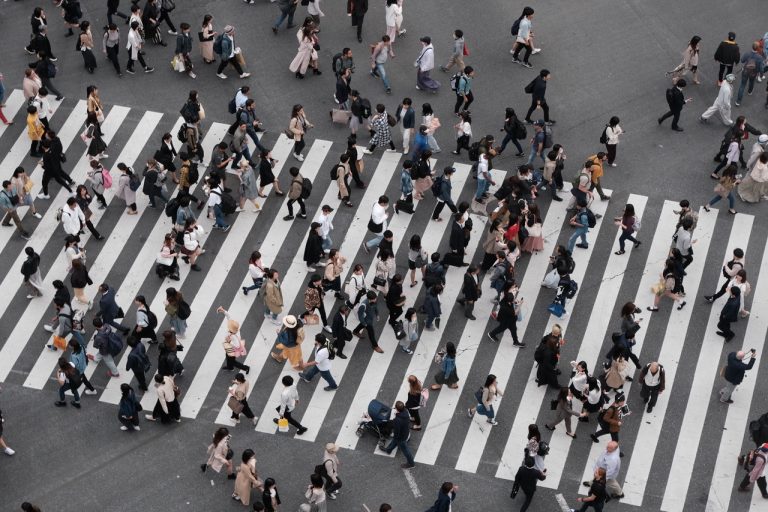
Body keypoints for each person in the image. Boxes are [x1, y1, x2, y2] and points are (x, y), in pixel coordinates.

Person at [382, 401, 416, 468]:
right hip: (405, 432)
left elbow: (397, 431)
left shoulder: (398, 420)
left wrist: (395, 436)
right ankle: (388, 450)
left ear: (397, 409)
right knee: (395, 441)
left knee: (405, 450)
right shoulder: (406, 412)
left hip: (401, 437)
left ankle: (411, 464)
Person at [219, 308, 251, 374]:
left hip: (233, 349)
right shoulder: (233, 328)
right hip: (229, 347)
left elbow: (237, 345)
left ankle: (246, 368)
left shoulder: (235, 336)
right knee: (228, 356)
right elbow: (229, 317)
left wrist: (229, 341)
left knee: (233, 361)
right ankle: (230, 367)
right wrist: (223, 311)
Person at [735, 42, 764, 106]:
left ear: (752, 47)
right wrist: (761, 75)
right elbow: (761, 68)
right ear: (758, 48)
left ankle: (738, 101)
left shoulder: (747, 53)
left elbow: (742, 60)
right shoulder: (760, 57)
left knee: (742, 85)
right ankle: (749, 91)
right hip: (753, 73)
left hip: (745, 71)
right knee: (751, 82)